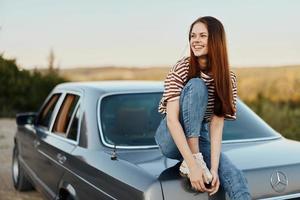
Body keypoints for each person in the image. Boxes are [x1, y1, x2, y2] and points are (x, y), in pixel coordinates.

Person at [154, 16, 251, 199]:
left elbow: (216, 125)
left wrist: (213, 169)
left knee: (234, 176)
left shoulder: (227, 78)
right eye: (192, 36)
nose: (195, 41)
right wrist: (193, 165)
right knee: (197, 85)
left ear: (215, 39)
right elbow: (173, 121)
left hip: (201, 136)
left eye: (202, 36)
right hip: (170, 135)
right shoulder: (182, 67)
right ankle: (196, 156)